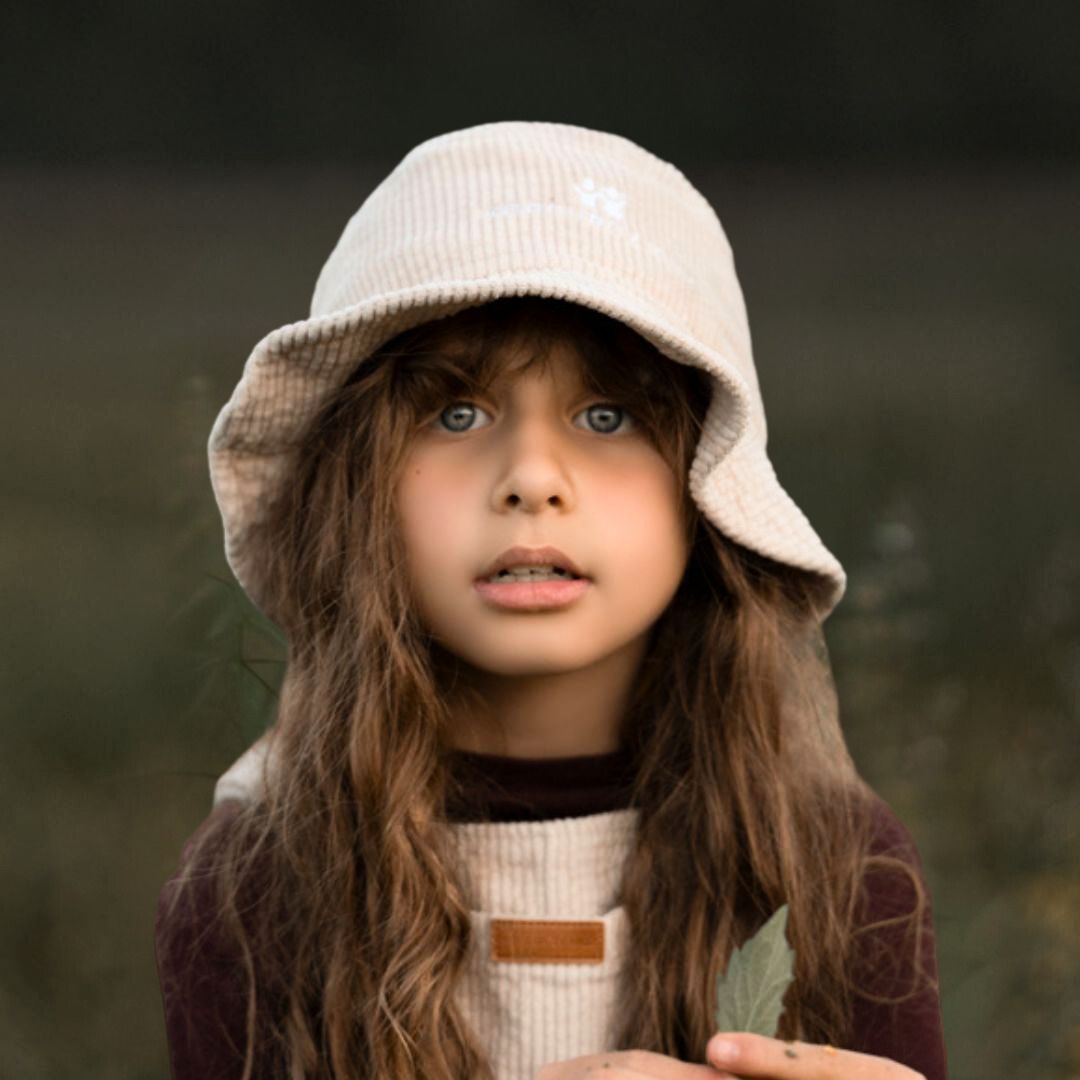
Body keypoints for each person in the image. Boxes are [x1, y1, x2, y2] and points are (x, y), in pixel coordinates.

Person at [155, 121, 948, 1080]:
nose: (532, 477)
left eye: (607, 415)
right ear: (355, 492)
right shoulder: (254, 885)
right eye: (456, 414)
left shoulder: (838, 868)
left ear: (708, 488)